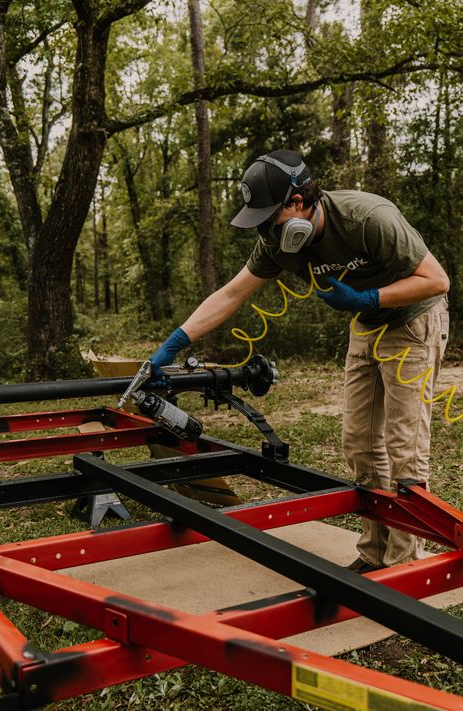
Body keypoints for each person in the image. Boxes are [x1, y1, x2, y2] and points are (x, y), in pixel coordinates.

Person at [146, 149, 450, 574]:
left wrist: (367, 297)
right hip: (366, 324)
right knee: (359, 443)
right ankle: (374, 555)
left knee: (403, 445)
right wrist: (177, 341)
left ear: (299, 200)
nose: (269, 230)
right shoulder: (276, 243)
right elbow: (233, 293)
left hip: (413, 318)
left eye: (272, 217)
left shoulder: (367, 217)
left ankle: (404, 565)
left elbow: (436, 279)